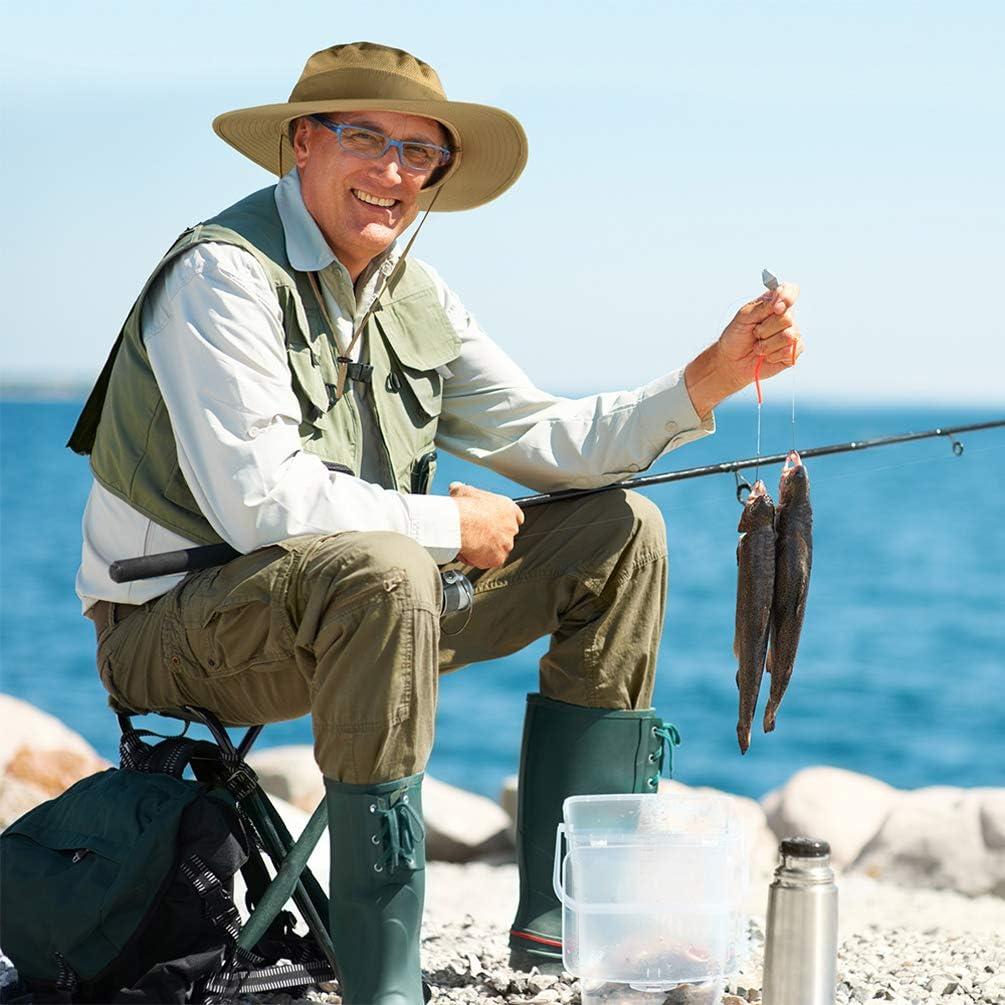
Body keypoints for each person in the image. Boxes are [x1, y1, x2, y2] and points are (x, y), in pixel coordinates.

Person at [69, 41, 802, 1004]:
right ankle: (383, 978)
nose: (392, 171)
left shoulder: (415, 292)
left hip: (360, 607)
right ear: (301, 142)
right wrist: (449, 529)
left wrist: (710, 375)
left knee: (620, 531)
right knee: (391, 568)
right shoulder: (220, 274)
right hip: (169, 630)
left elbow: (545, 436)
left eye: (418, 152)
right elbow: (262, 501)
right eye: (364, 138)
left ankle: (564, 916)